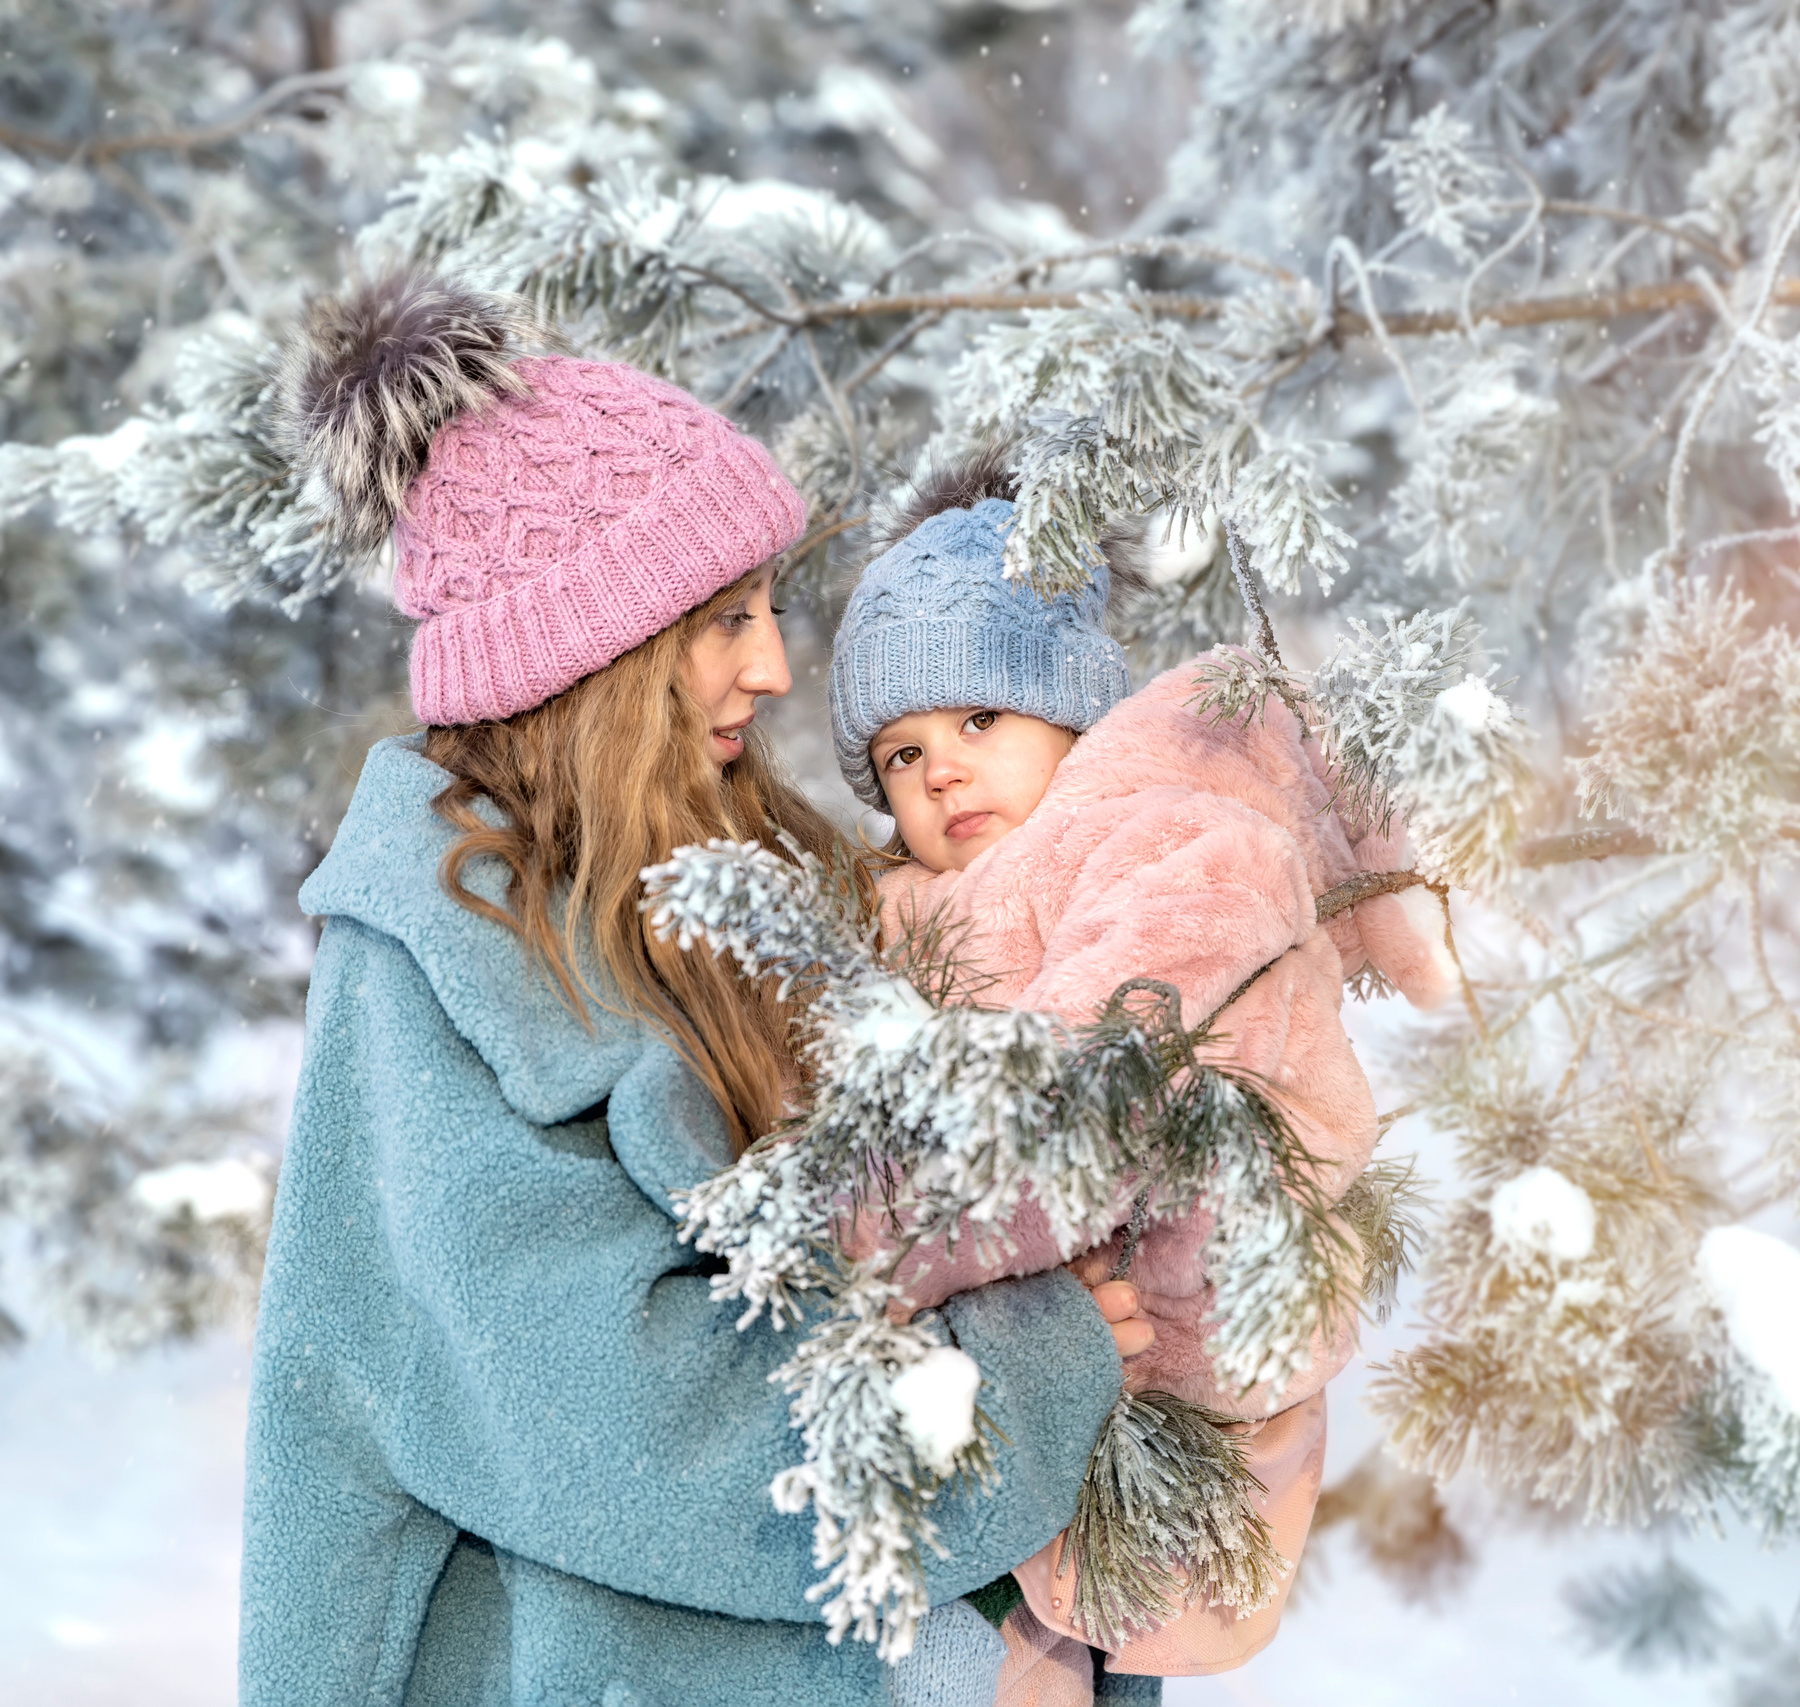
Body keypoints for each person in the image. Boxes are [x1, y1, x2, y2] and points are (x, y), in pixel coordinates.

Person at [238, 276, 1150, 1707]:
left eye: (768, 607)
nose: (777, 665)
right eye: (726, 617)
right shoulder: (436, 968)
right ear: (598, 653)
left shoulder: (745, 884)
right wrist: (1035, 1371)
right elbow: (627, 1429)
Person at [826, 459, 1456, 1699]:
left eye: (977, 722)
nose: (939, 773)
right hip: (1013, 1427)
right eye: (898, 755)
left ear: (1073, 716)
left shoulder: (1159, 850)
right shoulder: (901, 914)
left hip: (1160, 1392)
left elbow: (1070, 1118)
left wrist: (859, 1240)